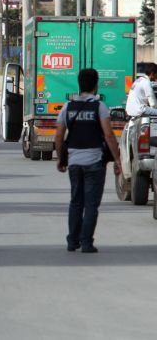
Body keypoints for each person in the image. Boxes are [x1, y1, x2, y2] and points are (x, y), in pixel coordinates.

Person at [54, 68, 121, 253]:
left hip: (74, 162)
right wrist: (117, 159)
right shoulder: (100, 107)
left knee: (76, 202)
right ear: (95, 85)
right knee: (91, 204)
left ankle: (72, 241)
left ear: (79, 84)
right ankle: (86, 243)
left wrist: (60, 158)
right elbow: (109, 135)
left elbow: (58, 135)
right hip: (95, 162)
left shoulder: (67, 107)